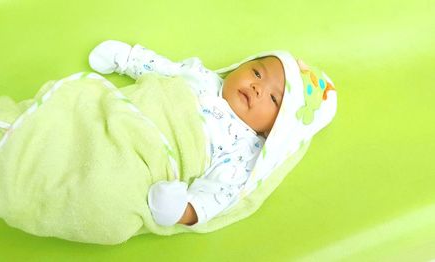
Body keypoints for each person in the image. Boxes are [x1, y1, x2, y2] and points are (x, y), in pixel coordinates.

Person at [88, 40, 329, 227]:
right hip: (125, 118)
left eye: (274, 98)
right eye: (257, 73)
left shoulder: (243, 151)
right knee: (87, 118)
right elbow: (163, 68)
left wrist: (182, 211)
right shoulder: (202, 78)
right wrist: (129, 58)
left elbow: (217, 195)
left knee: (104, 192)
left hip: (148, 160)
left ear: (274, 129)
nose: (257, 88)